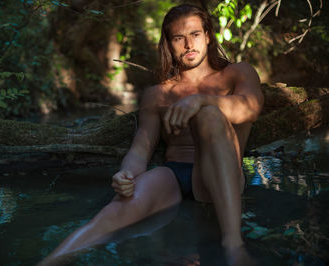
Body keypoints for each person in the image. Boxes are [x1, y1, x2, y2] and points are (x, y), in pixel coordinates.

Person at [39, 4, 263, 265]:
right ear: (169, 44)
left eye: (195, 34)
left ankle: (234, 247)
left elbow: (251, 108)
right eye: (179, 38)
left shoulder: (237, 73)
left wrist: (201, 101)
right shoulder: (158, 94)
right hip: (173, 176)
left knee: (209, 114)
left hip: (220, 176)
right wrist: (127, 175)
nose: (189, 44)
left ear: (208, 35)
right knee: (118, 208)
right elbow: (141, 148)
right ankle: (50, 261)